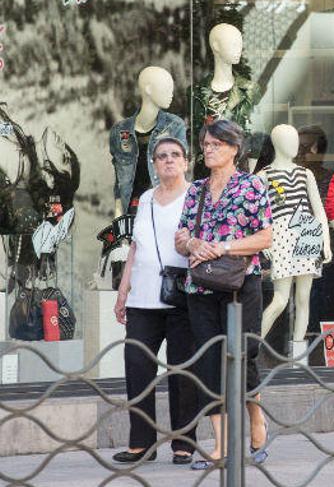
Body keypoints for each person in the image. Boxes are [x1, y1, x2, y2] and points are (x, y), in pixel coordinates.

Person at [174, 120, 272, 469]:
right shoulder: (196, 189)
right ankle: (222, 445)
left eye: (216, 144)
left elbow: (264, 237)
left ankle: (256, 420)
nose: (209, 149)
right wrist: (194, 243)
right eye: (205, 144)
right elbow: (181, 237)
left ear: (234, 148)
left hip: (241, 285)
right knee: (209, 362)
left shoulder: (251, 187)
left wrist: (222, 247)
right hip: (200, 287)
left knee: (243, 355)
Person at [111, 137, 198, 465]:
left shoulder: (196, 196)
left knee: (182, 372)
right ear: (154, 164)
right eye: (162, 156)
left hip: (181, 298)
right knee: (137, 368)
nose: (169, 161)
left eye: (175, 155)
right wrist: (123, 289)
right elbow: (136, 247)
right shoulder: (145, 199)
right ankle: (141, 443)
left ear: (186, 162)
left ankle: (183, 443)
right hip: (143, 299)